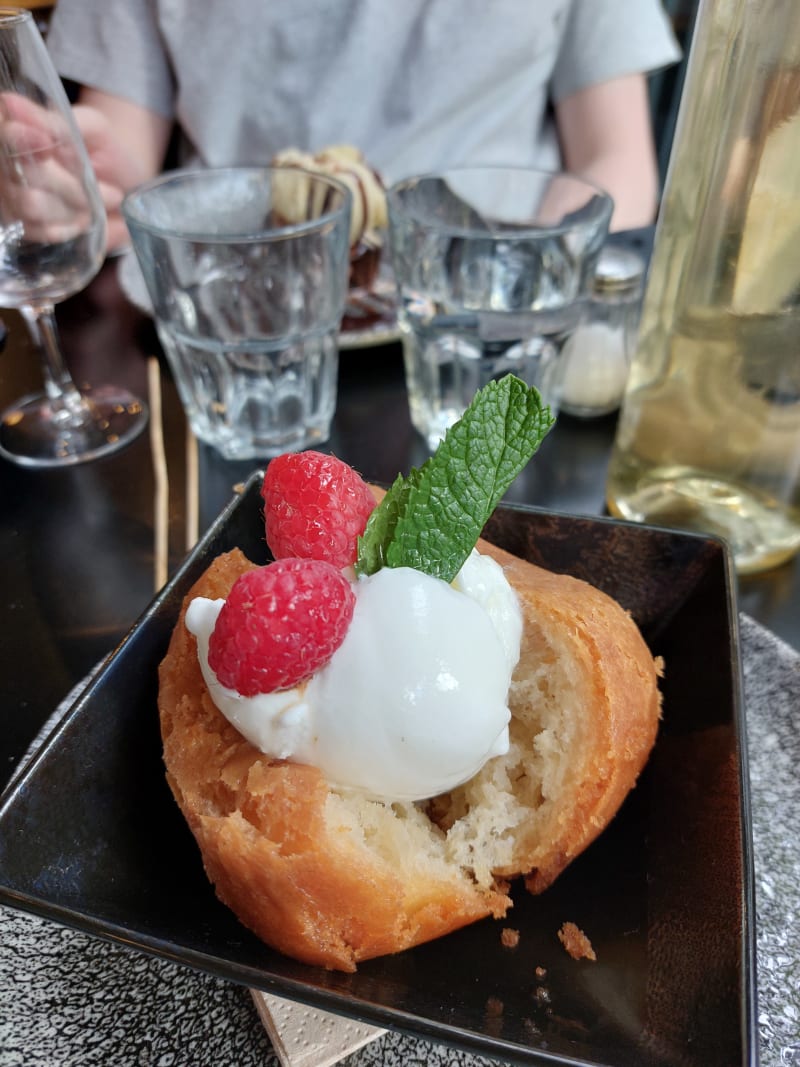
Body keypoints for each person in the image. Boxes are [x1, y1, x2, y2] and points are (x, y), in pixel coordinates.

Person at [44, 0, 680, 252]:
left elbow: (614, 160)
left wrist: (540, 276)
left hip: (487, 325)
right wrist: (73, 185)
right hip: (238, 319)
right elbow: (118, 153)